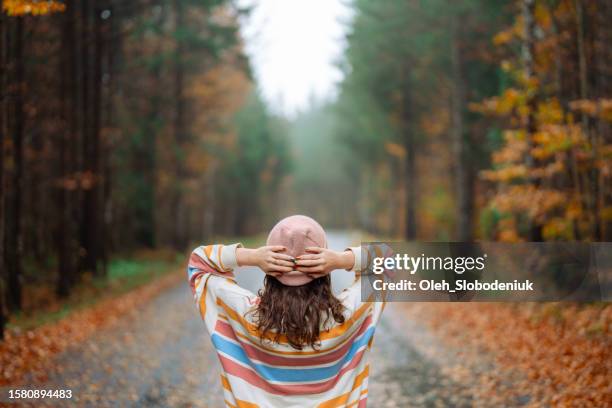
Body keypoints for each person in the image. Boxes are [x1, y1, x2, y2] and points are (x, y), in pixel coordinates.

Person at [186, 215, 384, 407]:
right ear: (325, 270)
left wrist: (252, 257)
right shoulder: (349, 314)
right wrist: (341, 260)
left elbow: (199, 262)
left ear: (269, 268)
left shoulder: (243, 313)